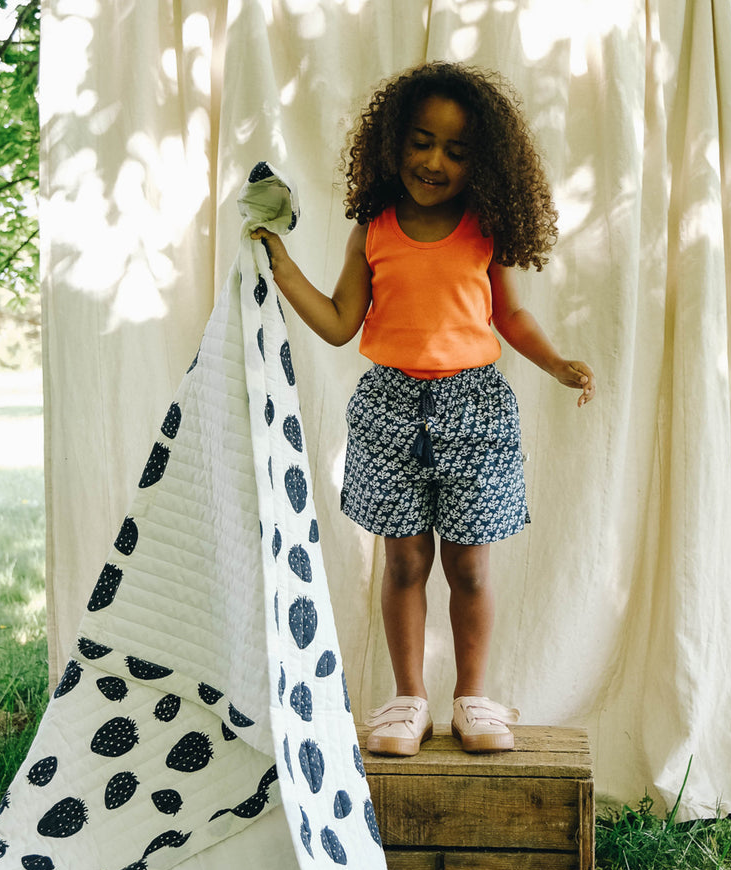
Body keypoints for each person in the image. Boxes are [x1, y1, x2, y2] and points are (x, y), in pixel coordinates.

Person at [252, 61, 594, 757]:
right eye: (421, 141)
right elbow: (343, 321)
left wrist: (557, 362)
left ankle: (473, 698)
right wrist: (281, 264)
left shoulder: (484, 229)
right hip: (388, 408)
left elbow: (512, 317)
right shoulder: (372, 229)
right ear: (392, 143)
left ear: (484, 164)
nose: (434, 160)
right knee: (404, 564)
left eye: (457, 151)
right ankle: (409, 700)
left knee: (469, 567)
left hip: (477, 410)